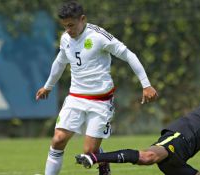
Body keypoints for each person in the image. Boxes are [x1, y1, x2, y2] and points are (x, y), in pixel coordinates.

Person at [35, 1, 158, 175]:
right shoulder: (65, 38)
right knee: (58, 140)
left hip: (100, 102)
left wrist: (146, 85)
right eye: (64, 26)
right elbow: (60, 63)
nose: (68, 30)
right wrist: (48, 87)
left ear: (82, 19)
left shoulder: (99, 36)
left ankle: (102, 160)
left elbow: (129, 55)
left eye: (71, 25)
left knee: (89, 152)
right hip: (75, 98)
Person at [75, 88, 200, 175]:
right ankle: (96, 158)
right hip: (178, 138)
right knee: (147, 157)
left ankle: (100, 160)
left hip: (180, 158)